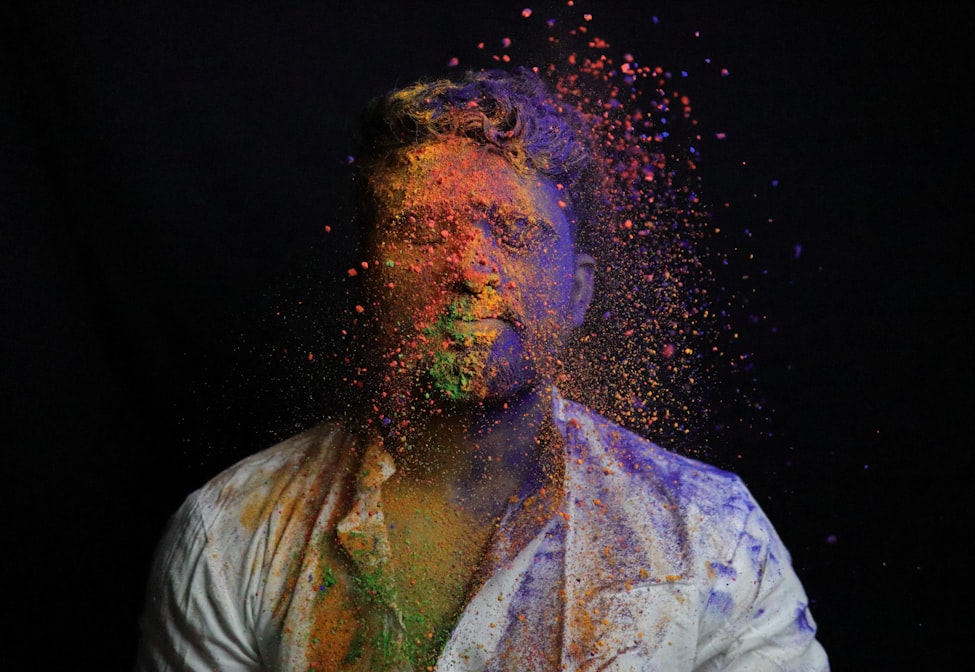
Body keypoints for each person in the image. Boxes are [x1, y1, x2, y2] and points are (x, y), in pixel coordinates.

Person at [136, 68, 829, 671]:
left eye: (518, 233)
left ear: (580, 292)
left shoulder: (713, 536)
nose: (471, 269)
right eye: (420, 231)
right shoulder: (230, 534)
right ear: (366, 279)